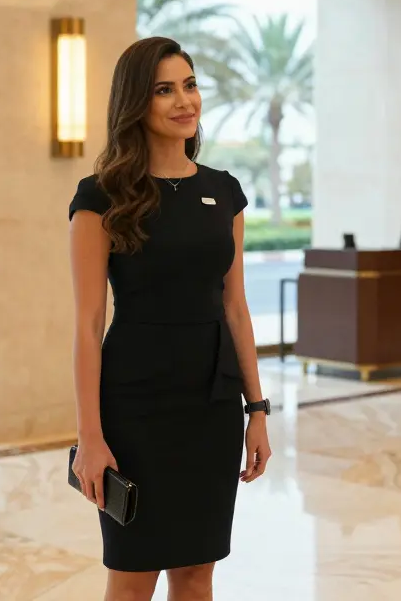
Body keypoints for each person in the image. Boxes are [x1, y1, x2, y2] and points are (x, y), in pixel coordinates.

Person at [68, 36, 273, 601]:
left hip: (211, 406)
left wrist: (256, 410)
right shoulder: (100, 198)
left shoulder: (223, 192)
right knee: (133, 577)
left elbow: (235, 305)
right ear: (137, 102)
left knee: (196, 572)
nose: (185, 100)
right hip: (133, 406)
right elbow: (88, 324)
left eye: (189, 84)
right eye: (165, 90)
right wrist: (90, 435)